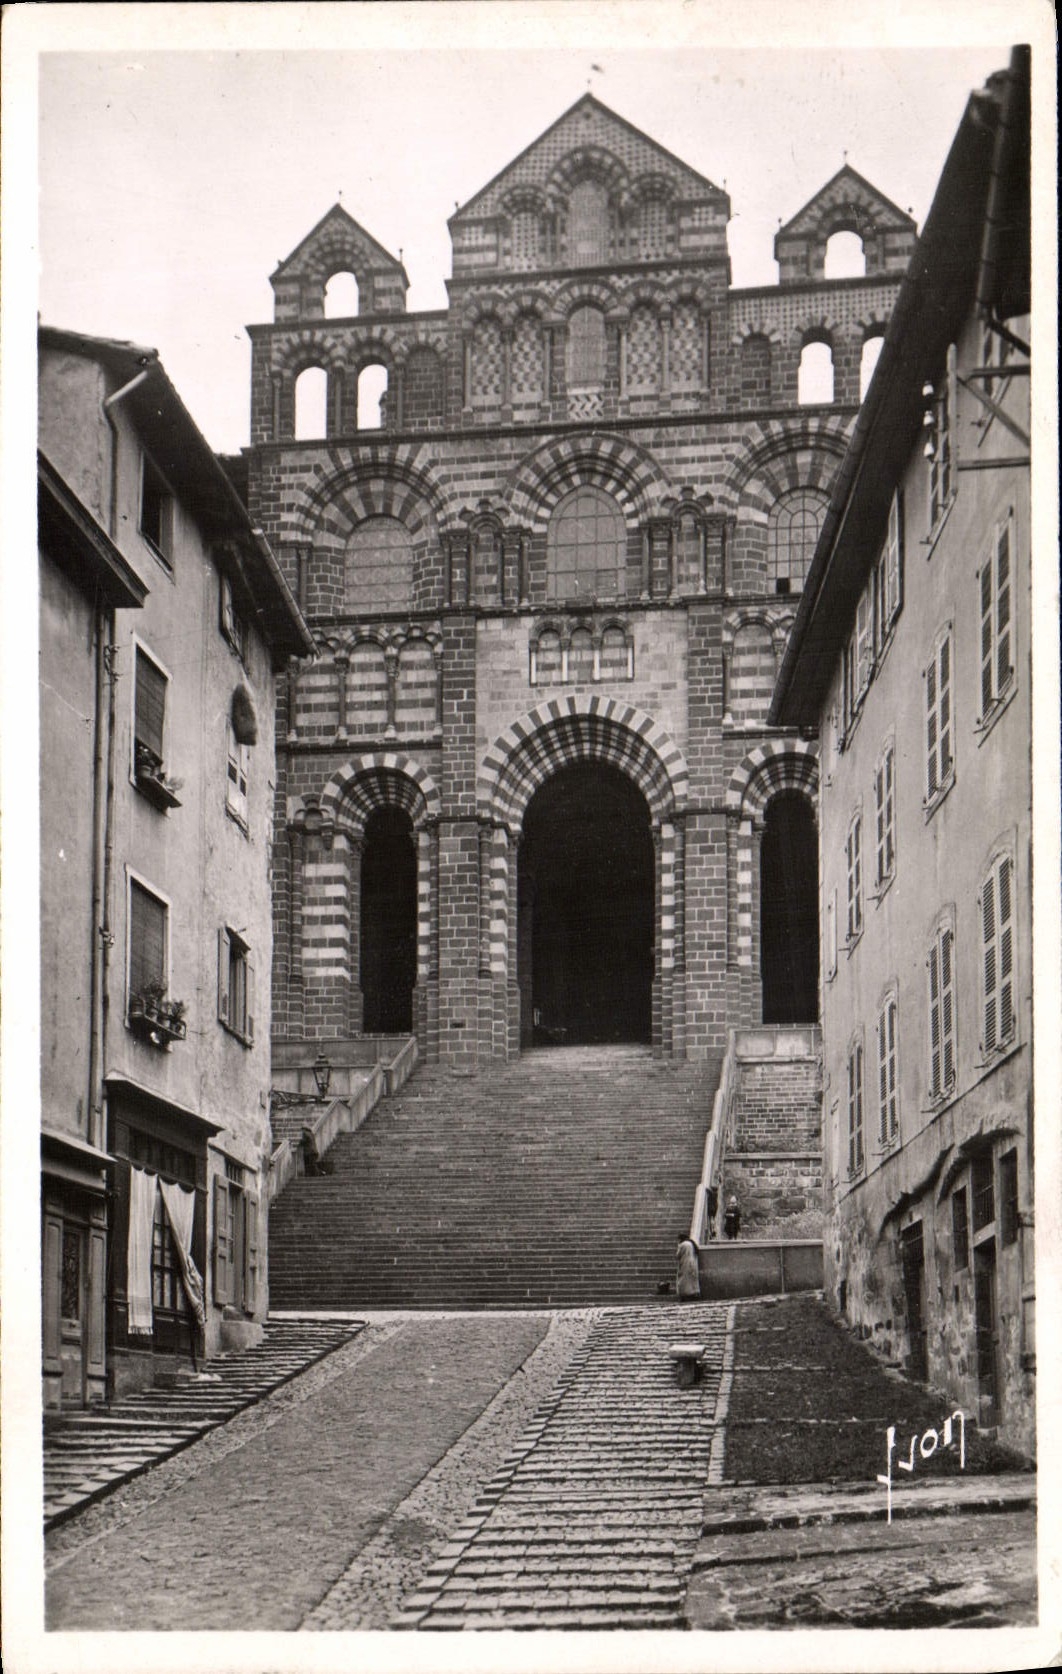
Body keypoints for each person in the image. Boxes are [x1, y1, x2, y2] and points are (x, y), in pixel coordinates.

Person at [676, 1236, 701, 1300]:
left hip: (684, 1263)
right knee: (692, 1279)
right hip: (692, 1262)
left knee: (683, 1280)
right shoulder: (691, 1243)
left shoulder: (682, 1245)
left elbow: (678, 1255)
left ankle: (684, 1295)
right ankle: (695, 1293)